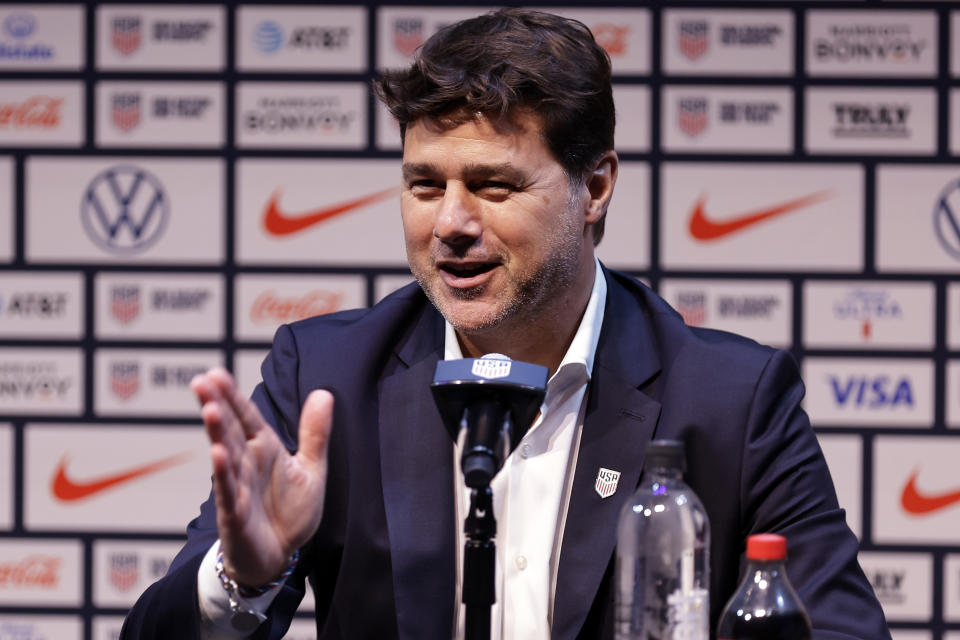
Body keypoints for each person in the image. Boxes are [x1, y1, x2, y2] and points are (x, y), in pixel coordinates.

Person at [122, 8, 890, 640]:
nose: (451, 223)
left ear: (595, 186)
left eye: (493, 185)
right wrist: (241, 578)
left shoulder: (731, 399)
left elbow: (842, 630)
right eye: (425, 185)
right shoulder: (328, 379)